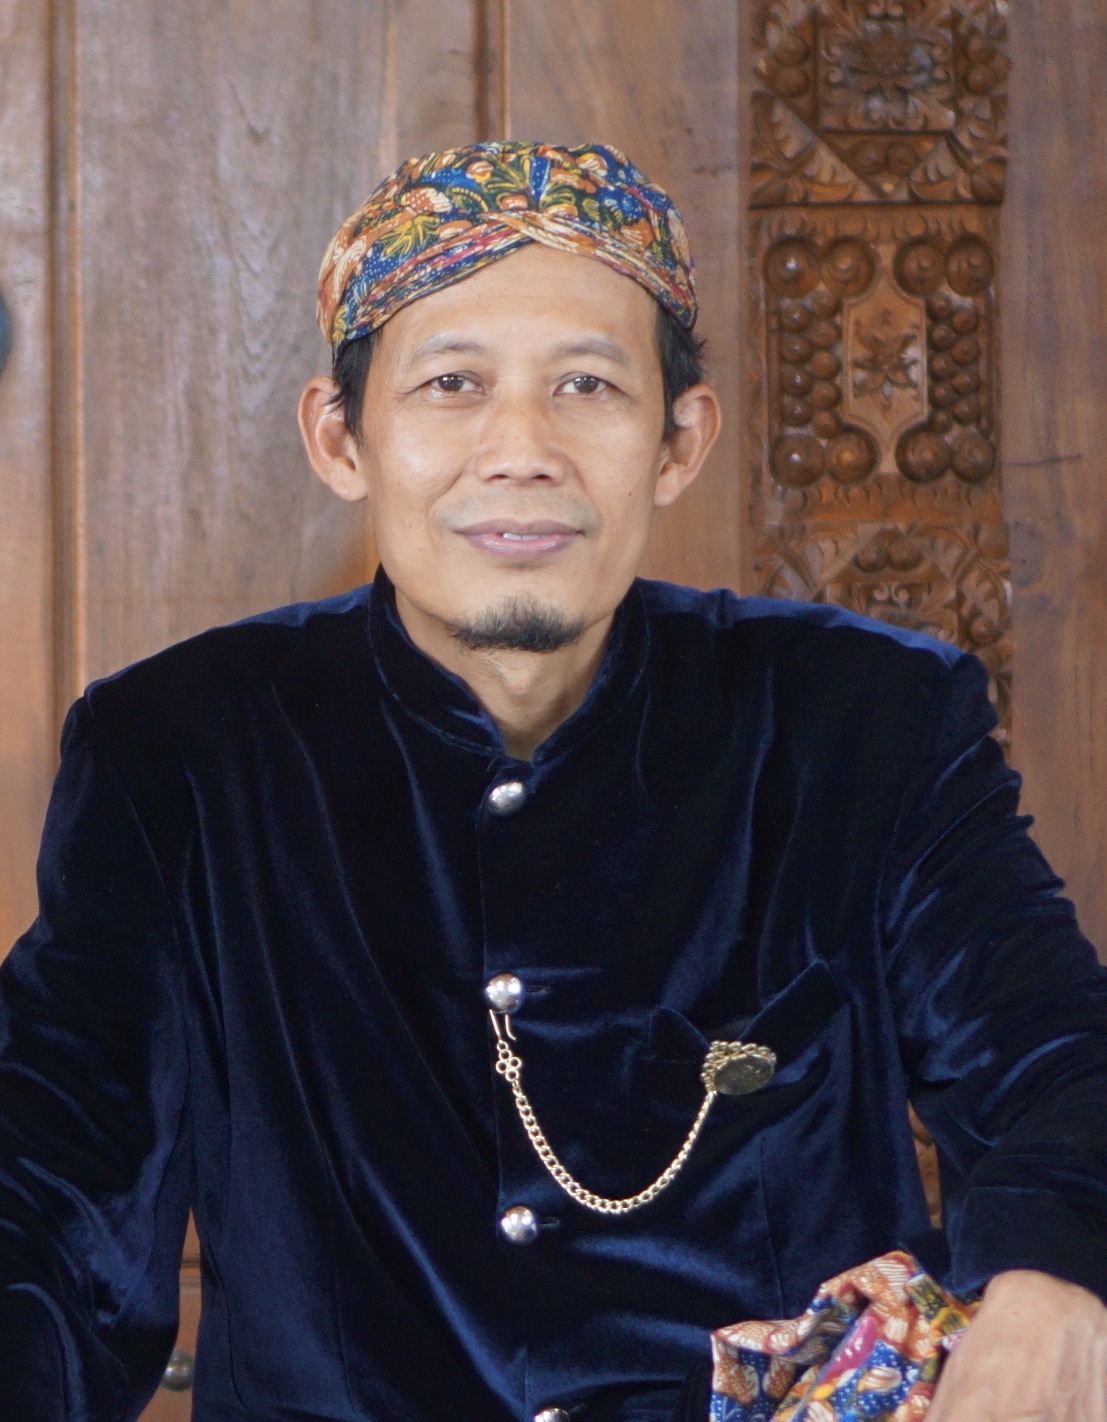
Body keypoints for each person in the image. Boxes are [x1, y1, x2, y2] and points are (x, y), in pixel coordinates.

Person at [0, 140, 1105, 1422]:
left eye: (587, 385)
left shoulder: (866, 722)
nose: (520, 450)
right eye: (452, 384)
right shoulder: (179, 751)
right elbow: (56, 1188)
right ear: (342, 438)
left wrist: (1056, 1287)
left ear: (678, 441)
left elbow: (1060, 1067)